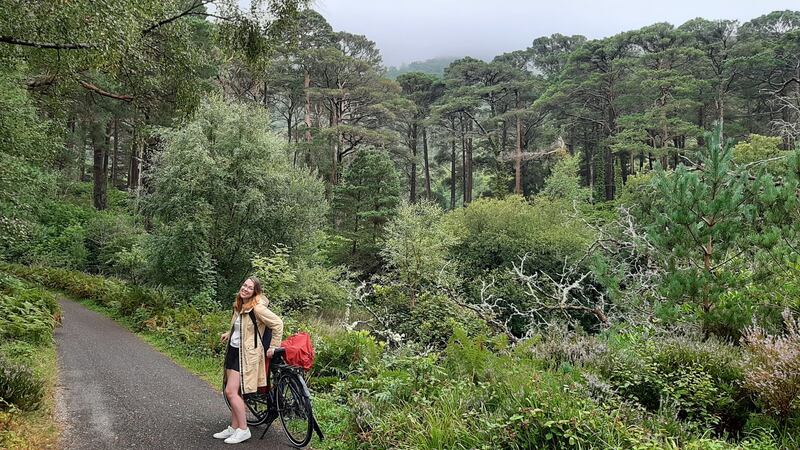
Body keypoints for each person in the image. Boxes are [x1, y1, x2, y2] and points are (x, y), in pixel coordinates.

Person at [213, 277, 283, 444]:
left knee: (230, 392)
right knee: (235, 392)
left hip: (246, 355)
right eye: (244, 285)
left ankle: (244, 430)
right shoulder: (240, 304)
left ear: (255, 292)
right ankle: (234, 427)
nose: (245, 289)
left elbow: (278, 324)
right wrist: (229, 333)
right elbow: (242, 328)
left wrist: (274, 346)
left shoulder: (257, 308)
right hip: (233, 350)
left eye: (250, 288)